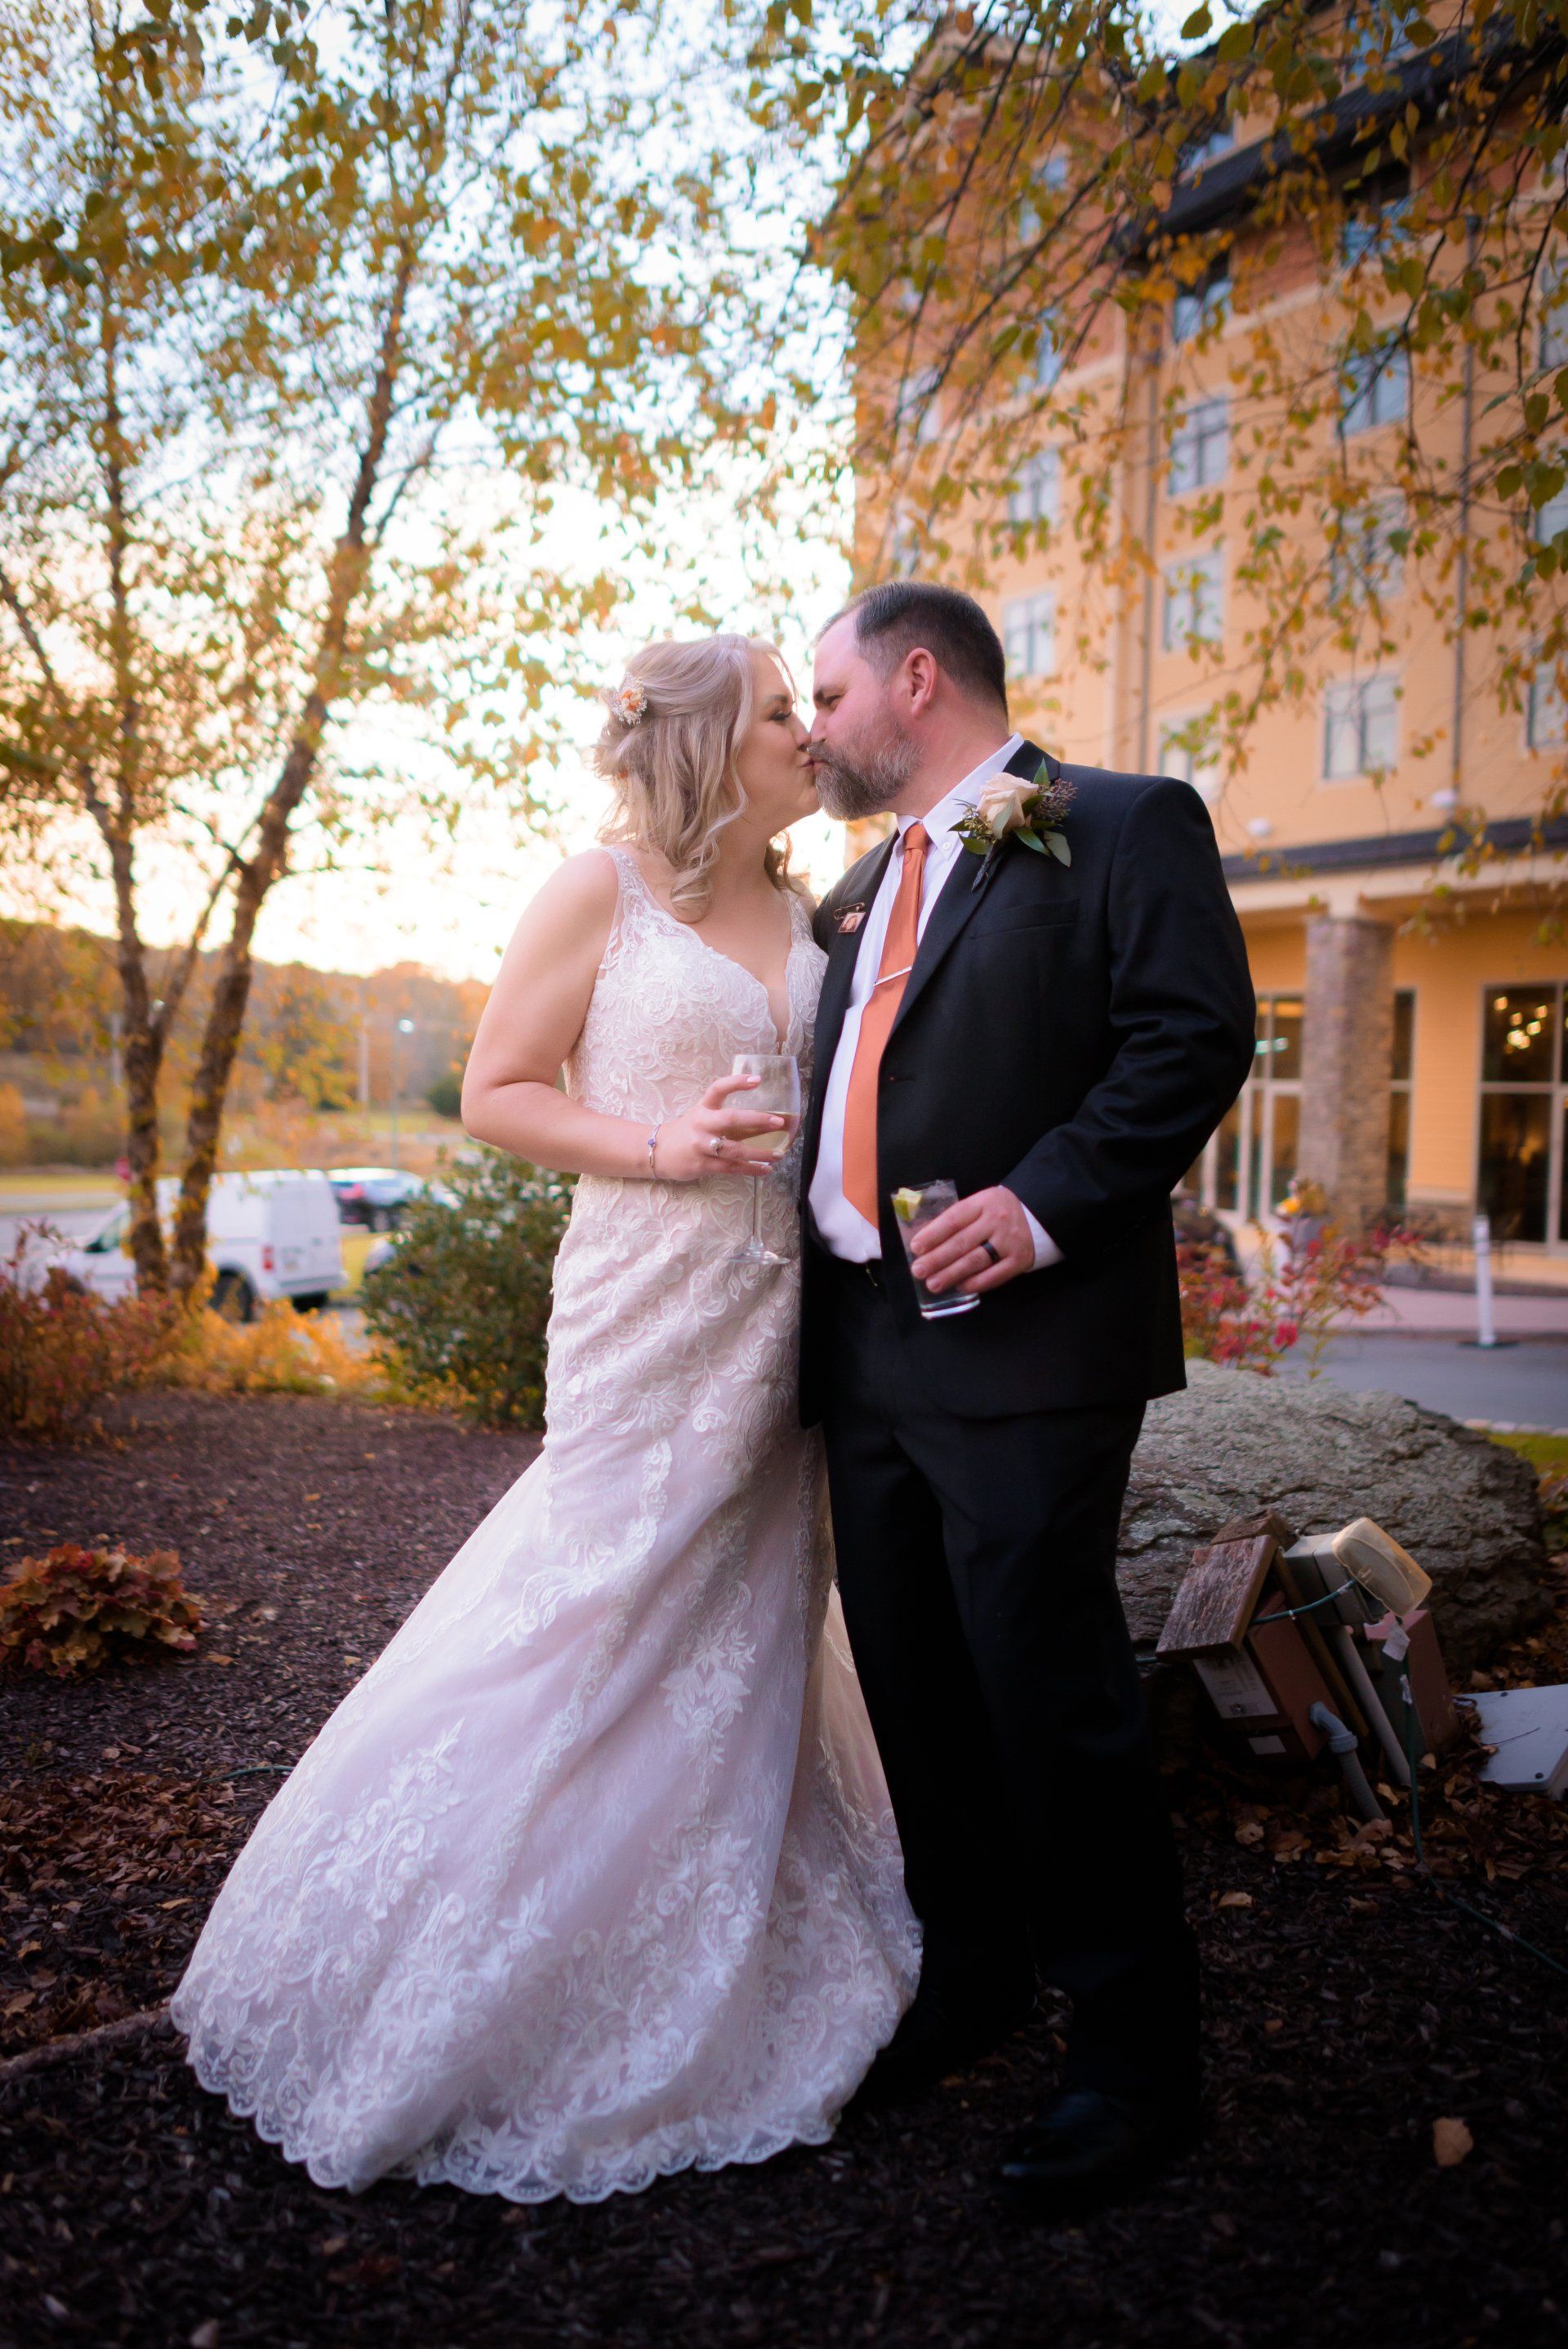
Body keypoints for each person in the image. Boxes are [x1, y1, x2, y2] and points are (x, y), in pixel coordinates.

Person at [168, 635, 918, 2204]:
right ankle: (468, 1957)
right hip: (647, 1301)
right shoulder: (599, 891)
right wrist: (660, 1142)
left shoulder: (811, 907)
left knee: (741, 1610)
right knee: (599, 1602)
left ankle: (714, 1918)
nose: (808, 731)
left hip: (784, 1321)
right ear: (711, 743)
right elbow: (498, 1091)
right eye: (784, 711)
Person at [800, 581, 1256, 2215]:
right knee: (918, 1688)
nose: (817, 725)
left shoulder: (1122, 827)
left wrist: (1048, 1200)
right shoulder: (852, 893)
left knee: (1047, 1695)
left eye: (831, 693)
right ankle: (974, 1978)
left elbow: (1192, 1037)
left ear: (916, 680)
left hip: (1031, 1344)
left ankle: (1135, 2061)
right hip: (861, 1353)